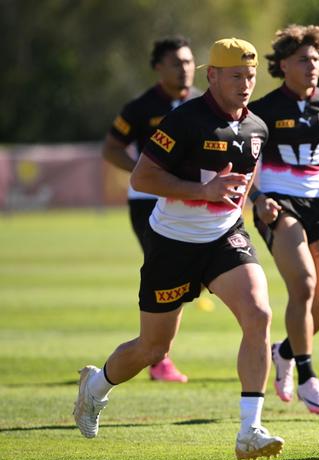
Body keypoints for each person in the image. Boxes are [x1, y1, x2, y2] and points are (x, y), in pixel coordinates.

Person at [75, 38, 285, 460]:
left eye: (250, 76)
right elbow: (142, 178)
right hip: (172, 243)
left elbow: (243, 177)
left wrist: (259, 197)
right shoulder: (184, 120)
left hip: (225, 237)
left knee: (259, 314)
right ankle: (95, 388)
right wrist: (202, 190)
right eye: (236, 77)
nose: (245, 84)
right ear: (212, 76)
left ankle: (250, 429)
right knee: (153, 349)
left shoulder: (257, 127)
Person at [247, 24, 319, 414]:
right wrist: (257, 198)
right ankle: (308, 377)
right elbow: (240, 165)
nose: (312, 65)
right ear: (283, 66)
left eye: (316, 59)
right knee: (304, 284)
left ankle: (285, 352)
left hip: (317, 205)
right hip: (278, 204)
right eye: (303, 60)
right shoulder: (261, 112)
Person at [102, 35, 201, 383]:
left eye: (189, 62)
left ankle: (157, 351)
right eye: (176, 63)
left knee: (195, 275)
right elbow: (111, 149)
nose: (185, 69)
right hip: (148, 204)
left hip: (191, 202)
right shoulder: (140, 107)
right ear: (159, 68)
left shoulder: (203, 105)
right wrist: (146, 175)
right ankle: (158, 357)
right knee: (168, 275)